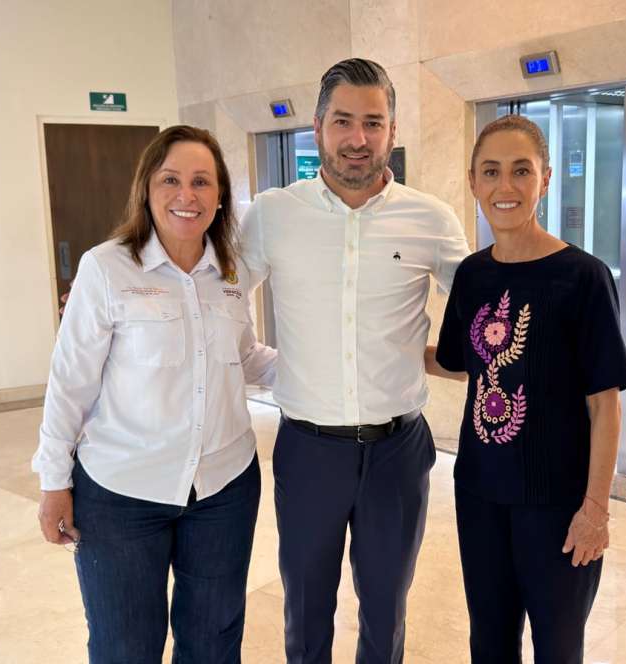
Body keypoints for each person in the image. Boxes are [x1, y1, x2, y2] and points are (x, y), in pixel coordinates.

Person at [240, 58, 470, 663]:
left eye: (373, 122)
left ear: (393, 131)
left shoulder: (430, 219)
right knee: (306, 610)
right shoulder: (272, 215)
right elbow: (216, 299)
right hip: (308, 450)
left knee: (386, 611)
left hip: (398, 452)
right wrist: (267, 365)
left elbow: (485, 312)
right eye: (343, 121)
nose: (358, 138)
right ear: (318, 127)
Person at [32, 125, 277, 664]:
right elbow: (70, 382)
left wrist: (316, 373)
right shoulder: (106, 268)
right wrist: (54, 481)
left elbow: (243, 357)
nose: (186, 195)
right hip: (121, 493)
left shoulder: (231, 272)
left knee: (213, 644)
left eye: (201, 182)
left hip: (223, 489)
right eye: (171, 180)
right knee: (125, 647)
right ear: (146, 188)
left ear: (220, 195)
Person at [430, 115, 626, 663]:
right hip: (480, 495)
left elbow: (605, 405)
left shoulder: (584, 278)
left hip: (559, 505)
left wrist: (596, 509)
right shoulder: (472, 275)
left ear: (544, 178)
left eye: (521, 170)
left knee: (557, 649)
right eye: (491, 171)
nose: (506, 186)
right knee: (489, 644)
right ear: (473, 182)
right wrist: (376, 351)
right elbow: (462, 362)